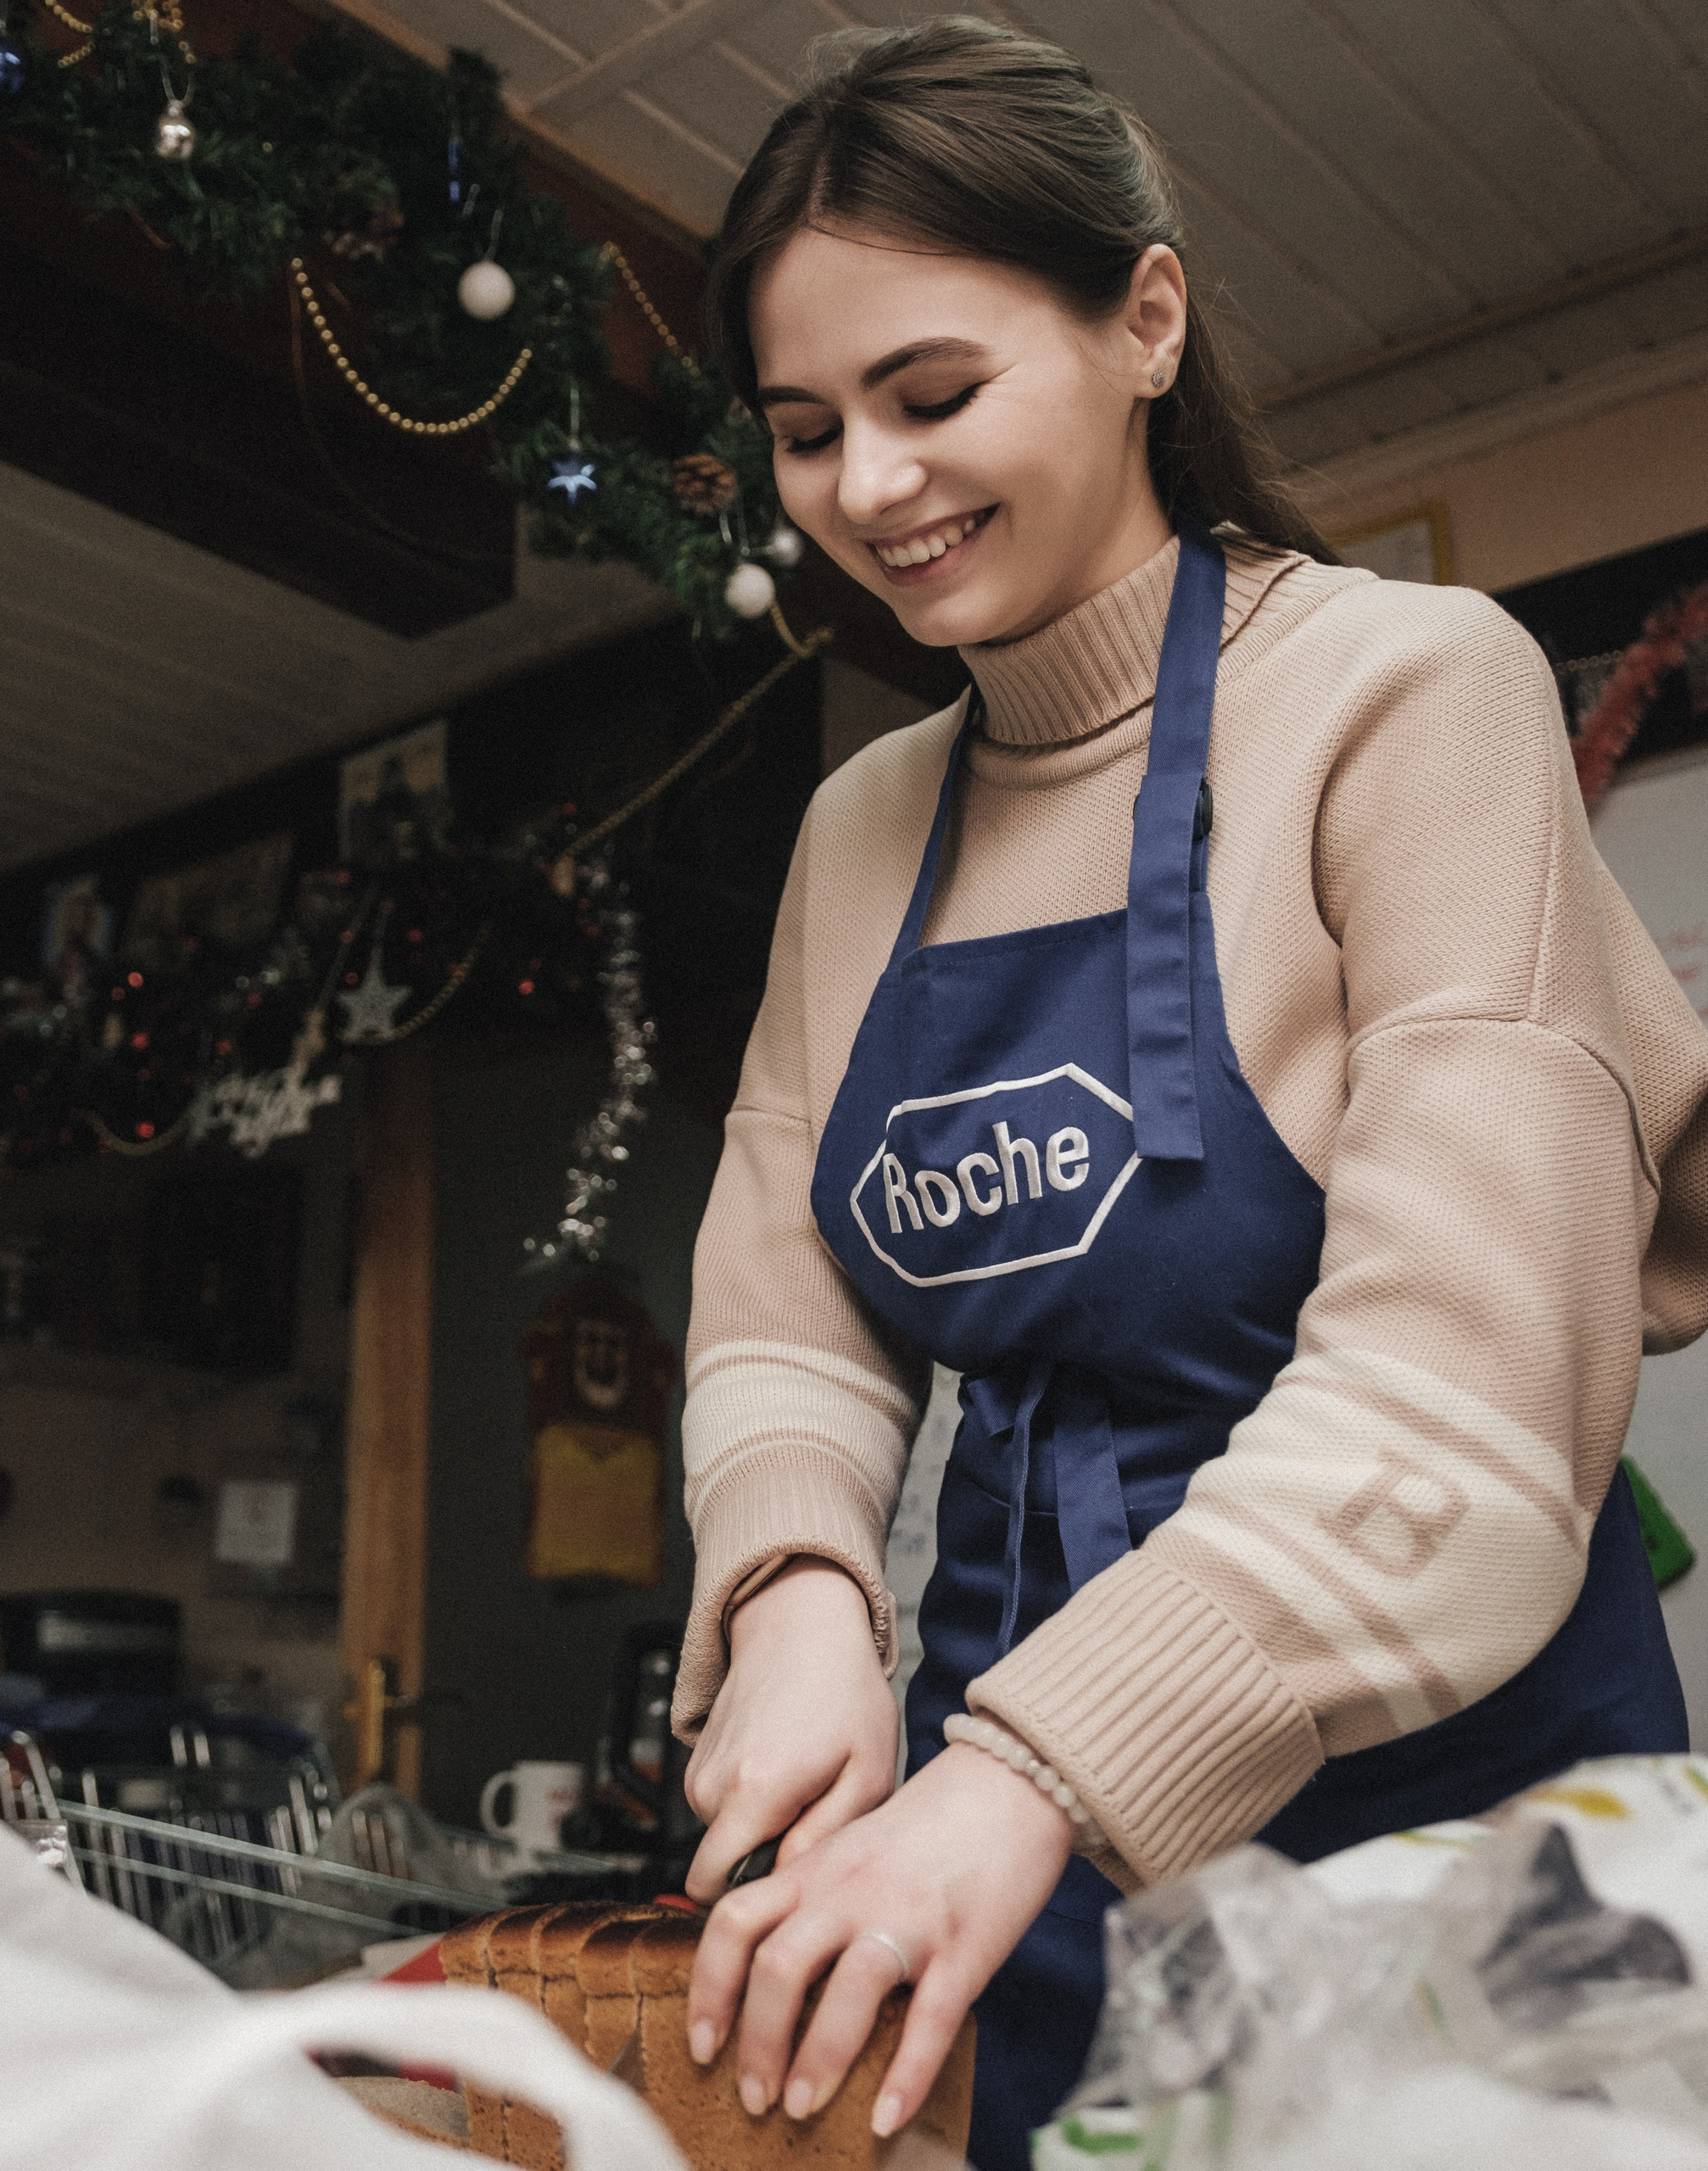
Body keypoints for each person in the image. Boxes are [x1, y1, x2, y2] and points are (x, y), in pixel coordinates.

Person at [667, 20, 1708, 2168]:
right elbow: (784, 1302)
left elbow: (1465, 1386)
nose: (868, 487)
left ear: (1143, 321)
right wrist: (793, 1600)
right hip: (1011, 1829)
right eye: (804, 431)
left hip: (1445, 1819)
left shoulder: (1402, 695)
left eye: (930, 394)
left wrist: (1027, 1772)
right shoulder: (859, 830)